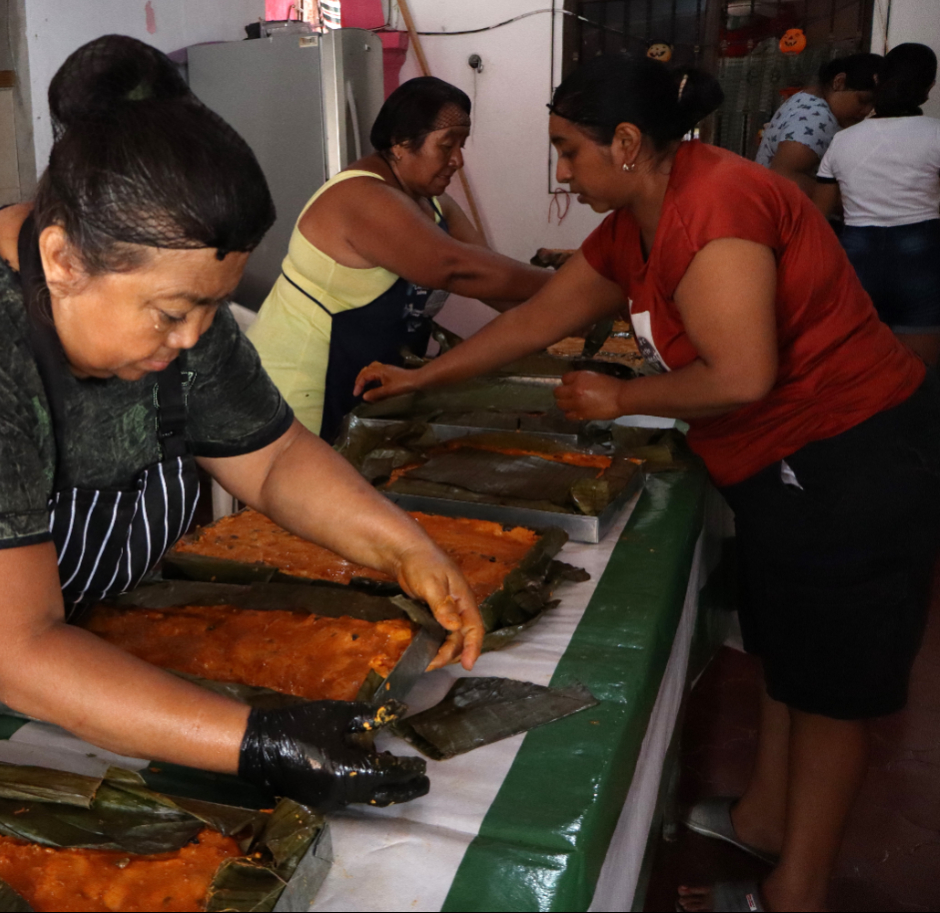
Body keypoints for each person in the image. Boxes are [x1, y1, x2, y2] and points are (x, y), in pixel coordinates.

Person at [0, 36, 485, 824]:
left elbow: (269, 460)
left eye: (210, 306)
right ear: (62, 260)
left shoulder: (165, 279)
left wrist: (403, 546)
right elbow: (14, 647)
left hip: (57, 642)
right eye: (174, 313)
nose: (198, 338)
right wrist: (260, 741)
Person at [357, 54, 940, 913]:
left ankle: (797, 892)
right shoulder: (638, 212)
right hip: (783, 467)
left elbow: (741, 373)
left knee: (832, 689)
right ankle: (766, 820)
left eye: (567, 151)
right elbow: (540, 315)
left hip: (847, 458)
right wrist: (420, 381)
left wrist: (619, 394)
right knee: (787, 654)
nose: (560, 171)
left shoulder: (715, 205)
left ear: (625, 143)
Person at [246, 76, 551, 442]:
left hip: (375, 384)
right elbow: (457, 269)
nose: (458, 160)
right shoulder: (362, 197)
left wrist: (579, 308)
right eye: (447, 145)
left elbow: (495, 283)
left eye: (462, 145)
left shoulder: (436, 206)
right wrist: (587, 281)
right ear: (402, 144)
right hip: (305, 386)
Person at [814, 43, 940, 365]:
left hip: (858, 253)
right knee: (921, 373)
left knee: (860, 365)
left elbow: (818, 213)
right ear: (928, 90)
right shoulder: (936, 134)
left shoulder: (843, 140)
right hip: (922, 250)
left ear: (876, 78)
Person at [755, 53, 881, 196]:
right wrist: (847, 202)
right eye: (863, 100)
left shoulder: (810, 99)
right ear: (839, 82)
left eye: (873, 105)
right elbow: (785, 176)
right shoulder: (816, 116)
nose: (866, 111)